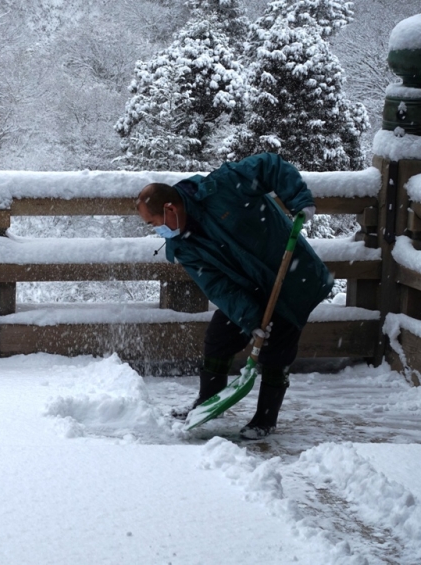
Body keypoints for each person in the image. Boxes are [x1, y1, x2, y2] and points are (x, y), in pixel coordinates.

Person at [136, 152, 333, 439]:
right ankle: (209, 401)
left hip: (290, 277)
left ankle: (265, 418)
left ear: (169, 209)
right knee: (219, 337)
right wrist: (249, 317)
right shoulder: (182, 246)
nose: (157, 230)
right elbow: (216, 285)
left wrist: (299, 200)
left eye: (154, 222)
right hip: (249, 289)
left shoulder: (223, 186)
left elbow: (269, 165)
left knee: (277, 348)